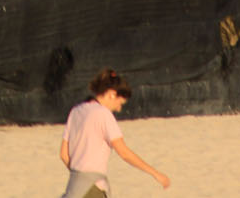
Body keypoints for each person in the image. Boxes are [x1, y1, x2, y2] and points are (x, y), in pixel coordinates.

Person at [59, 68, 170, 198]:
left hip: (74, 188)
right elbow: (124, 153)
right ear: (112, 94)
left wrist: (80, 177)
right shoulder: (104, 114)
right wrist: (155, 173)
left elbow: (64, 155)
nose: (119, 108)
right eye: (120, 103)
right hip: (93, 189)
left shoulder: (76, 111)